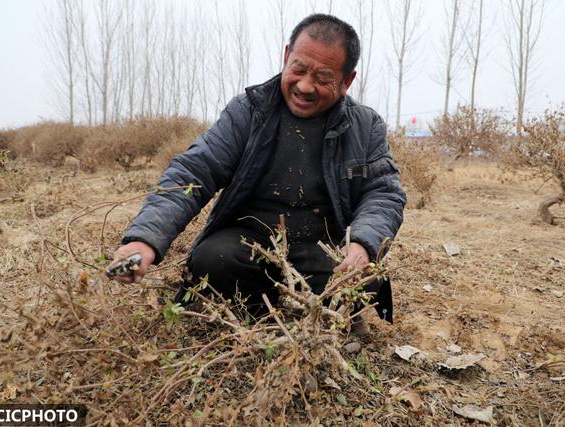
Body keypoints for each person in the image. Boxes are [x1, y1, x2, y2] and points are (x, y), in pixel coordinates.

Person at [110, 14, 406, 328]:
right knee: (213, 260)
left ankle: (323, 311)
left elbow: (383, 194)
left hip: (321, 246)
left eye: (323, 77)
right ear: (286, 56)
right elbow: (193, 172)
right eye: (299, 68)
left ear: (347, 81)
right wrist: (145, 239)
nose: (305, 86)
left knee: (360, 284)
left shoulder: (365, 126)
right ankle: (256, 316)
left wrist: (363, 244)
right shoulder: (249, 111)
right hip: (248, 242)